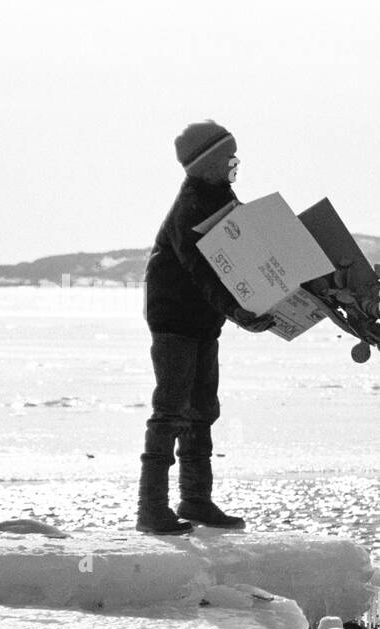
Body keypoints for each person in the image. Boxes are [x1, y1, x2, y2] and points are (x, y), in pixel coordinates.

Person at [137, 120, 273, 535]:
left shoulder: (219, 197)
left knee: (203, 410)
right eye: (228, 157)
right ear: (208, 163)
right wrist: (240, 311)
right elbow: (207, 272)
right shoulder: (192, 208)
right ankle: (151, 509)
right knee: (171, 411)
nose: (234, 164)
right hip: (174, 318)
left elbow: (245, 253)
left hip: (203, 321)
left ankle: (195, 499)